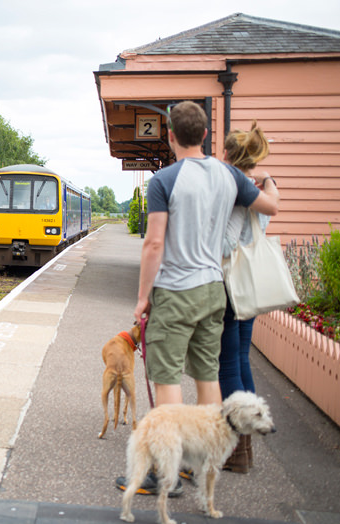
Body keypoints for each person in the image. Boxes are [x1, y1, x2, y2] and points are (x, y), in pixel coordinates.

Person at [115, 101, 280, 497]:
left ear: (170, 135)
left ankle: (163, 472)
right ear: (205, 135)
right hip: (213, 291)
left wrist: (142, 299)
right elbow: (270, 206)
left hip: (176, 290)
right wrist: (267, 178)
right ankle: (204, 461)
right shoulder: (229, 176)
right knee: (208, 377)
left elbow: (154, 243)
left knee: (167, 377)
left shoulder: (164, 180)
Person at [219, 121, 273, 474]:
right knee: (242, 360)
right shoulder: (262, 192)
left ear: (229, 155)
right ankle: (246, 448)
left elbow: (228, 244)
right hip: (249, 289)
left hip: (230, 289)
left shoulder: (238, 193)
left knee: (227, 366)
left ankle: (236, 448)